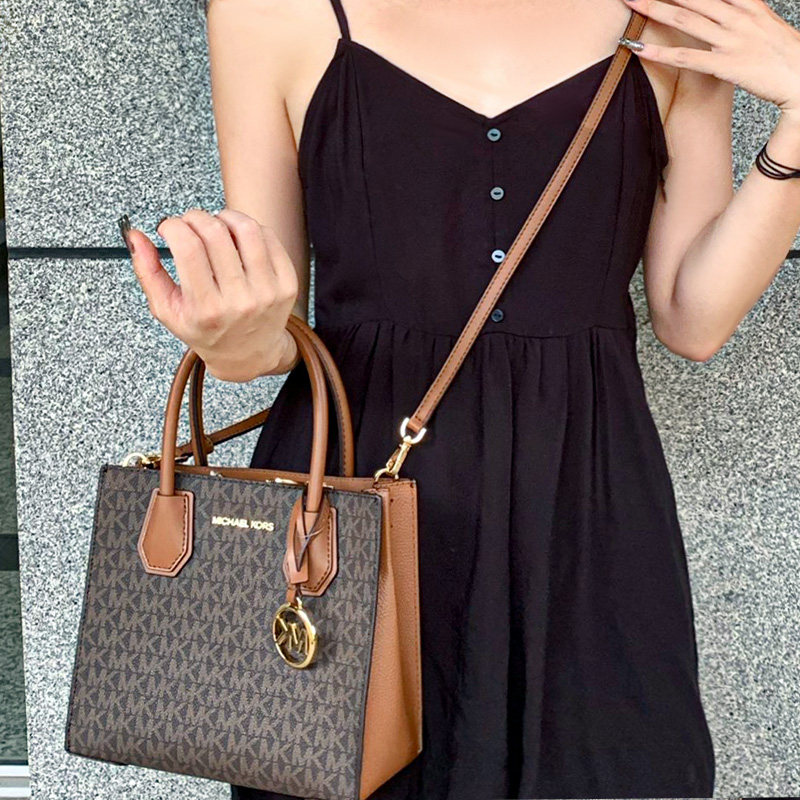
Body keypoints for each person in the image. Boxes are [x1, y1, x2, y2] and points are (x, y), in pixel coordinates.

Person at [119, 0, 800, 797]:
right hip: (351, 510)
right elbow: (274, 326)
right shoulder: (269, 12)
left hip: (585, 508)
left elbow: (693, 319)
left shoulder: (677, 13)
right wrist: (231, 341)